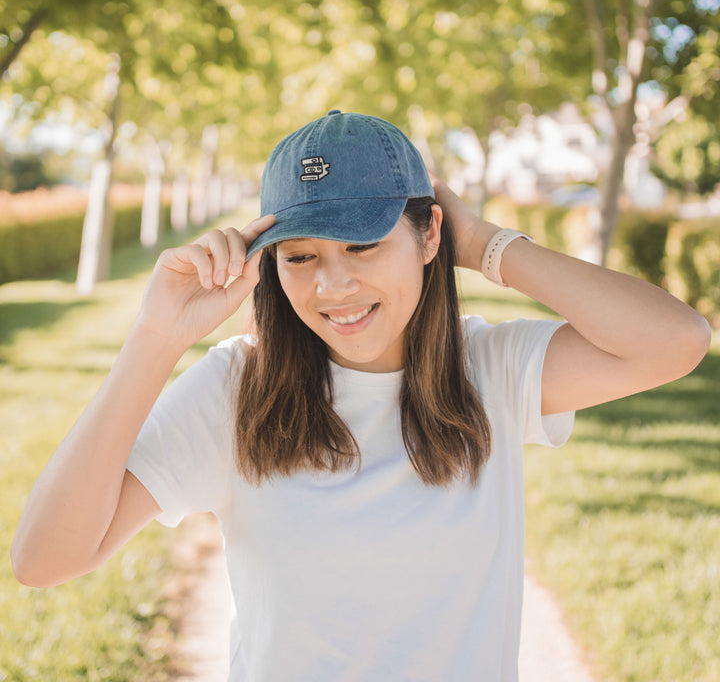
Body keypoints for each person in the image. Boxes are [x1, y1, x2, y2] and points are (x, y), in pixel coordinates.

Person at [12, 110, 710, 681]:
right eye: (301, 256)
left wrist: (488, 244)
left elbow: (675, 340)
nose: (332, 287)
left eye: (364, 245)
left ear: (429, 232)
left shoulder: (491, 369)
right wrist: (156, 337)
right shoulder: (236, 389)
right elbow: (44, 560)